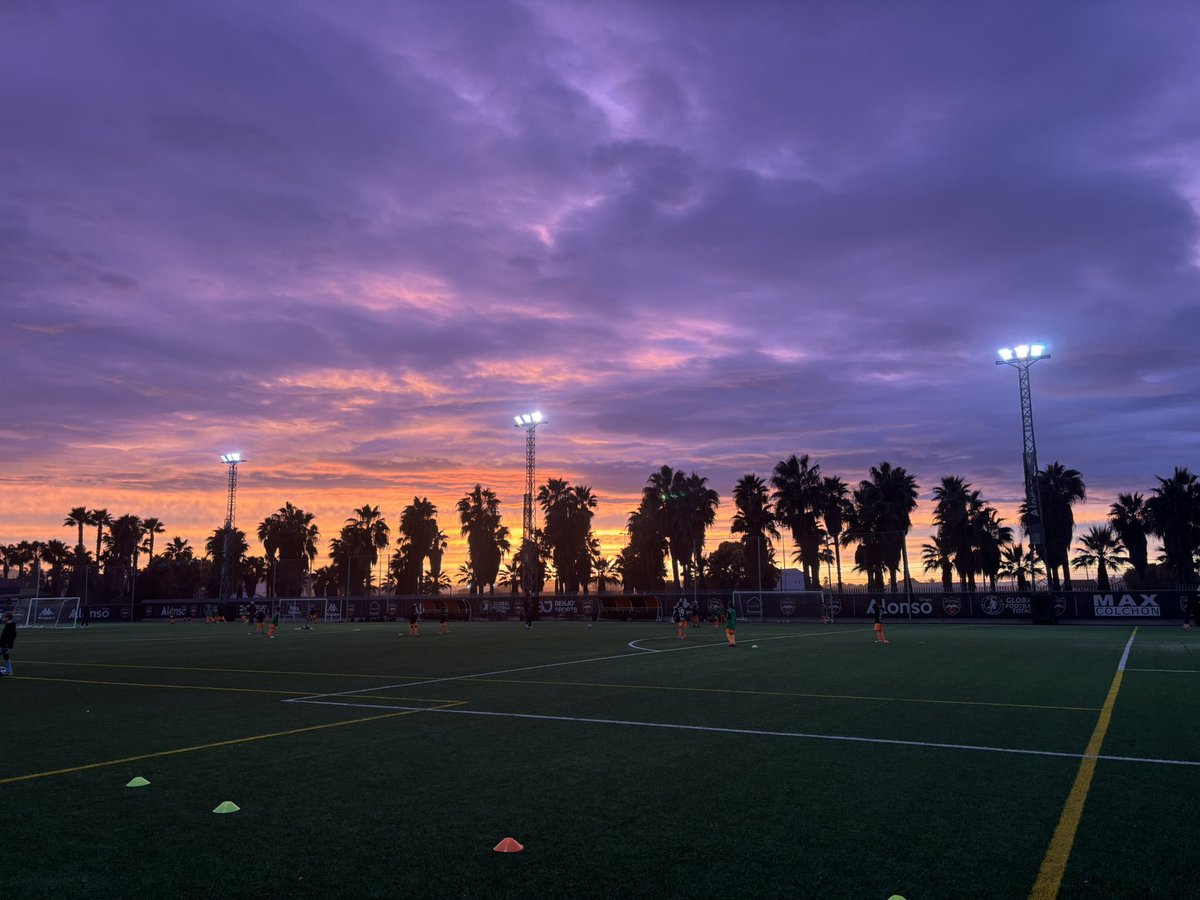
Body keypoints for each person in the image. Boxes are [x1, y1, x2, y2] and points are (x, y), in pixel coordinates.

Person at [1, 610, 15, 676]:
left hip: (5, 645)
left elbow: (11, 637)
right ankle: (9, 671)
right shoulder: (8, 624)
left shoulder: (10, 625)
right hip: (2, 644)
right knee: (6, 657)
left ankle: (9, 671)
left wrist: (7, 645)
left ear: (7, 617)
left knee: (6, 657)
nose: (4, 618)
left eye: (5, 617)